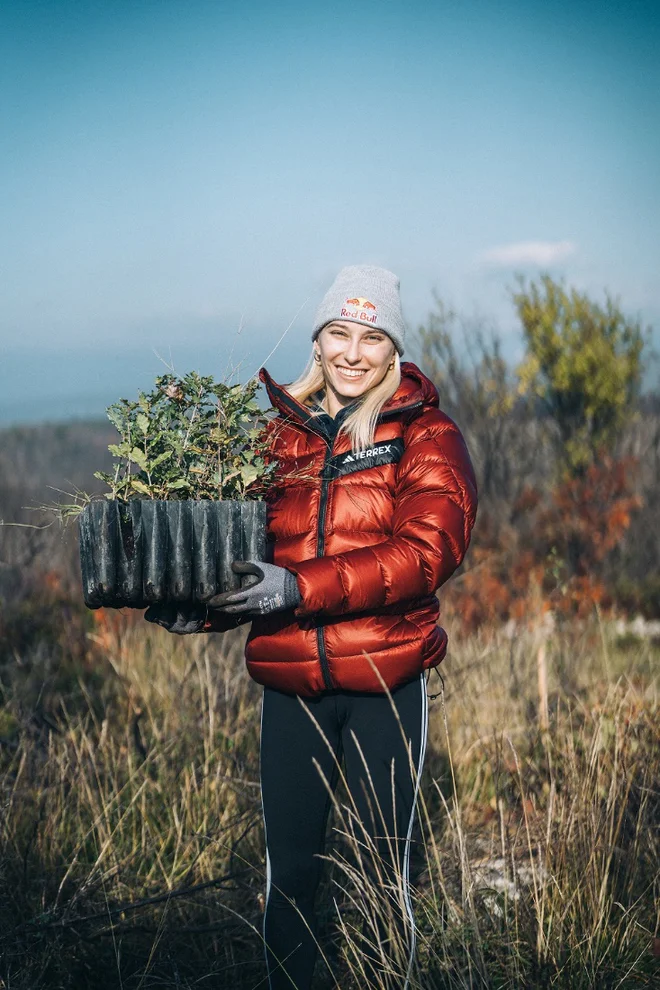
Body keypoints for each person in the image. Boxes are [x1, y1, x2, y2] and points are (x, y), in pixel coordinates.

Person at [146, 265, 478, 989]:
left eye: (371, 336)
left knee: (385, 869)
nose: (352, 352)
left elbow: (426, 554)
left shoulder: (427, 433)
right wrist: (198, 607)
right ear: (318, 340)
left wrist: (299, 588)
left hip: (385, 684)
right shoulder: (278, 438)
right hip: (290, 685)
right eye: (338, 332)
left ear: (393, 351)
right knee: (291, 872)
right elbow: (251, 562)